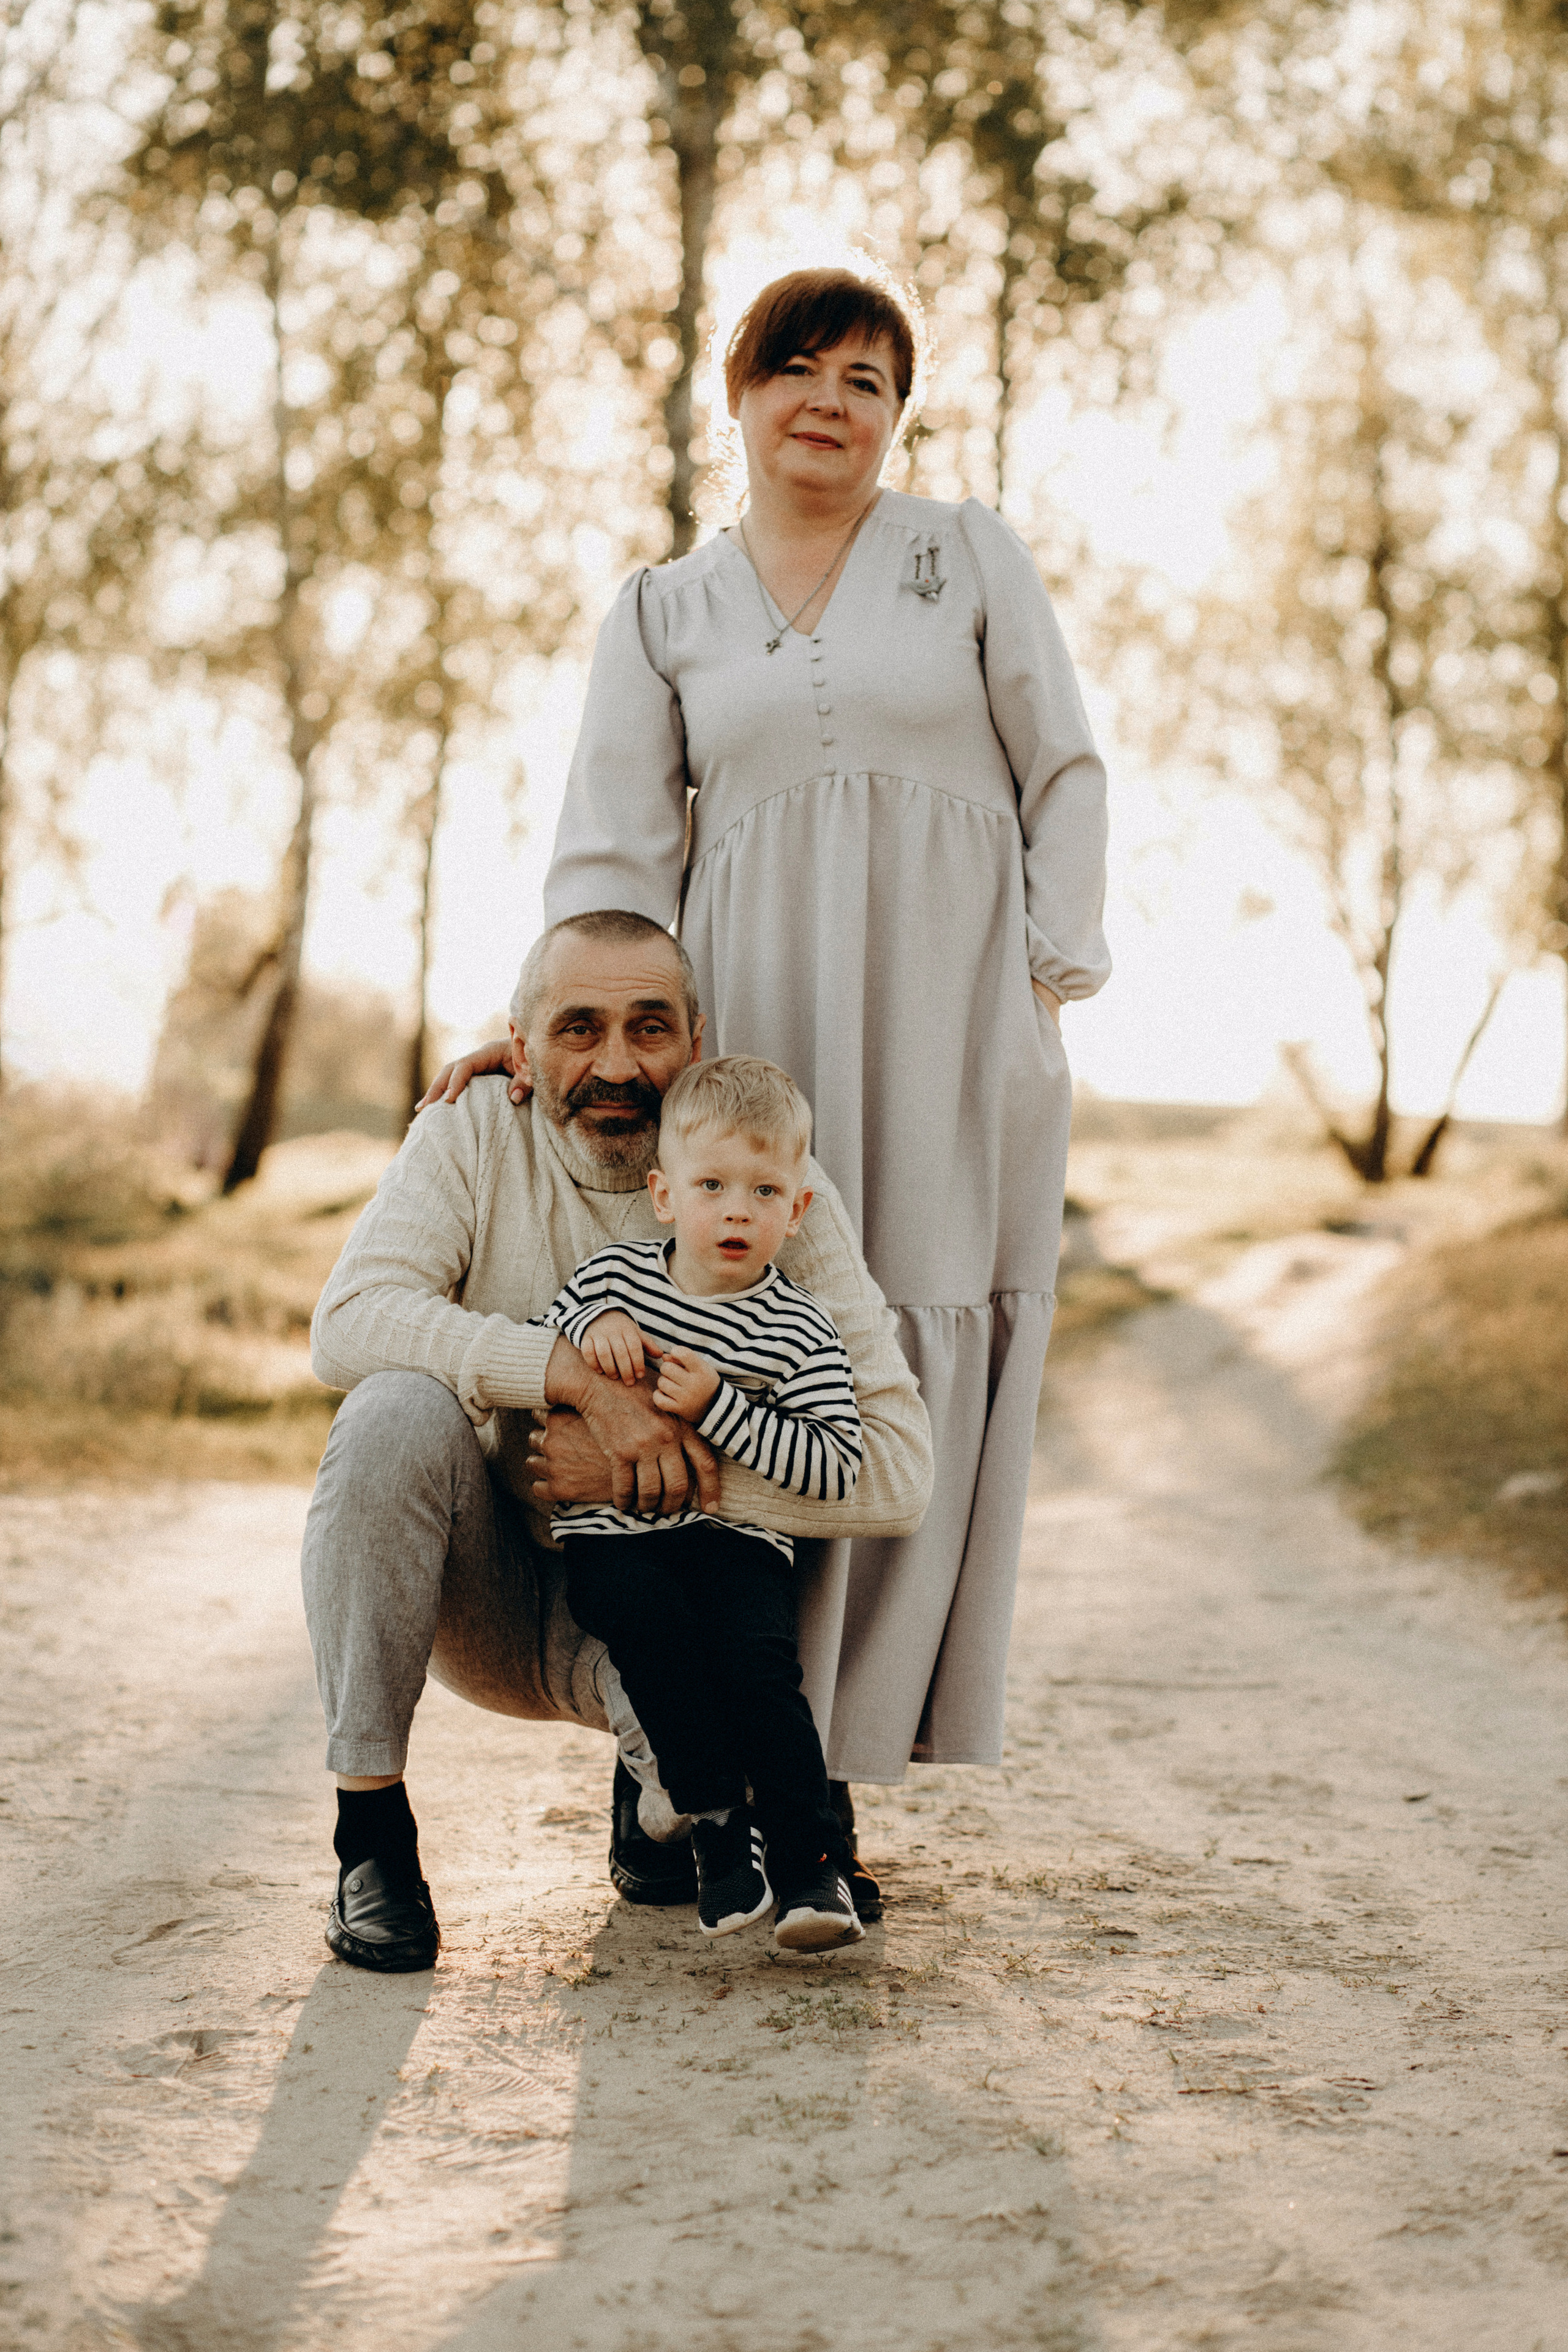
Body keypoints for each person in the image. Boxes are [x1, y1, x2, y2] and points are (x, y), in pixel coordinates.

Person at [423, 265, 1110, 1844]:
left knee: (878, 1365)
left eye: (866, 381)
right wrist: (538, 1028)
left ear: (896, 417)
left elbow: (1064, 768)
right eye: (797, 369)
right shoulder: (663, 611)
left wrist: (1043, 982)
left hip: (953, 1023)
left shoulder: (965, 557)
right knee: (720, 1346)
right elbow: (606, 860)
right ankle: (674, 1757)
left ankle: (829, 1760)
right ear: (737, 396)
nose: (829, 402)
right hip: (742, 1048)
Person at [304, 909, 930, 1972]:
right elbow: (349, 1319)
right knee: (389, 1410)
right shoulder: (469, 1133)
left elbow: (898, 1472)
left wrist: (671, 1474)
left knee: (715, 1789)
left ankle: (664, 1807)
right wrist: (575, 1384)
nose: (615, 1064)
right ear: (521, 1043)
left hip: (685, 1607)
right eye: (577, 1029)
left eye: (649, 1028)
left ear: (694, 1037)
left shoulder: (765, 1190)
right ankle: (371, 1841)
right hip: (496, 1591)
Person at [546, 1055, 864, 1951]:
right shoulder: (611, 1281)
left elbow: (835, 1465)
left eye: (765, 1190)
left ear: (797, 1209)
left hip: (737, 1540)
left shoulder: (800, 1329)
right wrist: (581, 1334)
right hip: (616, 1537)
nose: (736, 1209)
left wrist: (720, 1409)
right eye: (712, 1184)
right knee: (641, 1621)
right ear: (663, 1195)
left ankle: (812, 1869)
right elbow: (535, 1360)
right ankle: (721, 1830)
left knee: (759, 1667)